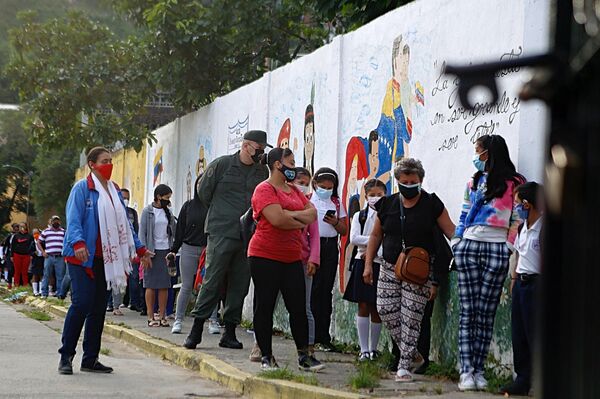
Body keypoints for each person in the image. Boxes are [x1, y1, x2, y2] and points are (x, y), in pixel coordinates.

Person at [59, 146, 153, 375]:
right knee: (81, 303)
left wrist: (140, 249)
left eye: (111, 160)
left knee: (99, 308)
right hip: (81, 256)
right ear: (92, 164)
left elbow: (126, 225)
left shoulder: (114, 191)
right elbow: (73, 220)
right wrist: (79, 243)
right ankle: (66, 356)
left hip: (106, 259)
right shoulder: (82, 189)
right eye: (104, 160)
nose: (109, 164)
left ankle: (90, 358)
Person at [364, 158, 455, 383]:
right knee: (385, 309)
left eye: (413, 181)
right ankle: (413, 355)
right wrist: (368, 263)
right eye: (404, 181)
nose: (408, 184)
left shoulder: (432, 203)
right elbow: (376, 235)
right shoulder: (387, 205)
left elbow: (451, 230)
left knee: (411, 317)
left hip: (419, 269)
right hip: (389, 266)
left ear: (420, 181)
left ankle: (404, 366)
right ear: (397, 181)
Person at [184, 130, 270, 350]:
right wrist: (222, 212)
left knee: (240, 284)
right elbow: (204, 193)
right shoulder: (222, 165)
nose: (260, 153)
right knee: (212, 279)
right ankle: (196, 330)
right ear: (246, 146)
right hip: (221, 230)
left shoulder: (262, 171)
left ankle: (229, 331)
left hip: (248, 234)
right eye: (258, 148)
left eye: (263, 149)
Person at [452, 134, 525, 391]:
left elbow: (517, 218)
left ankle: (479, 369)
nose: (477, 157)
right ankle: (466, 371)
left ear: (490, 153)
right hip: (469, 245)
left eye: (479, 152)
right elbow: (463, 211)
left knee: (486, 312)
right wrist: (457, 240)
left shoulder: (515, 183)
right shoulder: (474, 181)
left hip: (497, 248)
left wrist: (507, 245)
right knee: (468, 312)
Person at [248, 147, 324, 371]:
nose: (293, 167)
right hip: (264, 255)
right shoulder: (264, 189)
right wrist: (295, 218)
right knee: (265, 305)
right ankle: (266, 357)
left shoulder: (294, 191)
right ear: (277, 165)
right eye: (290, 163)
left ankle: (304, 356)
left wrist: (288, 215)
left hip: (292, 256)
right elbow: (276, 220)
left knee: (298, 307)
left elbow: (312, 215)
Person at [500, 182, 543, 396]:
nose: (516, 208)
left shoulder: (544, 228)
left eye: (518, 204)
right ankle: (523, 379)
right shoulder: (522, 227)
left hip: (538, 284)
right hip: (522, 284)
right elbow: (518, 254)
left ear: (528, 204)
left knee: (536, 333)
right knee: (519, 334)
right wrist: (514, 279)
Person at [343, 179, 386, 362]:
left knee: (377, 307)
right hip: (362, 263)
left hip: (380, 264)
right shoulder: (359, 216)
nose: (376, 198)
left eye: (379, 195)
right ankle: (364, 349)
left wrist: (371, 246)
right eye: (372, 195)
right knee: (363, 305)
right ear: (366, 196)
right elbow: (354, 238)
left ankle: (374, 348)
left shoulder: (387, 215)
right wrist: (374, 242)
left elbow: (387, 241)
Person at [310, 167, 348, 350]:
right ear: (315, 184)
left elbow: (344, 230)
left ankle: (323, 336)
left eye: (329, 187)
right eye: (322, 186)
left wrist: (335, 223)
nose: (325, 189)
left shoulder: (337, 203)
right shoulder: (308, 200)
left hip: (330, 247)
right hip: (311, 246)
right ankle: (309, 334)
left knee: (325, 291)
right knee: (312, 290)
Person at [169, 174, 208, 334]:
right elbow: (179, 232)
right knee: (186, 286)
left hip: (207, 250)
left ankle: (212, 320)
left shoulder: (213, 205)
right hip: (188, 249)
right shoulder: (188, 206)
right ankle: (178, 320)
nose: (202, 187)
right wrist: (173, 250)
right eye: (200, 184)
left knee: (208, 287)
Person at [140, 184, 177, 327]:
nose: (168, 200)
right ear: (158, 197)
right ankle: (150, 316)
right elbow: (142, 233)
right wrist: (143, 253)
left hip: (166, 251)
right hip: (151, 251)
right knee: (150, 285)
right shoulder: (147, 212)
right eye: (166, 197)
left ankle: (162, 315)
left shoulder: (169, 212)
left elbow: (174, 231)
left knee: (164, 285)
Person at [294, 167, 320, 358]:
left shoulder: (309, 207)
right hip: (279, 259)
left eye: (305, 184)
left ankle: (309, 347)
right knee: (268, 303)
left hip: (303, 261)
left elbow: (315, 236)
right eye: (299, 182)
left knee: (305, 307)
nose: (302, 187)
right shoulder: (280, 201)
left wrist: (313, 259)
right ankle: (260, 346)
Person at [39, 216, 66, 298]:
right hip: (49, 256)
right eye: (54, 221)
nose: (56, 222)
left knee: (60, 276)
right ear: (51, 222)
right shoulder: (46, 231)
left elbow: (67, 242)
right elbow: (39, 242)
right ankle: (44, 293)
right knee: (46, 275)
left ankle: (60, 294)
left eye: (57, 221)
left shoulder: (63, 232)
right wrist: (43, 252)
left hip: (60, 256)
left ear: (59, 222)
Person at [11, 222, 34, 287]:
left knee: (24, 272)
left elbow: (32, 246)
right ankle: (16, 285)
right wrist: (11, 256)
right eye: (20, 226)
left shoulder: (29, 236)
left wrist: (31, 255)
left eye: (23, 226)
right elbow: (12, 246)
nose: (22, 228)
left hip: (26, 255)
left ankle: (25, 286)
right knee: (17, 271)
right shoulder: (16, 236)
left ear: (26, 227)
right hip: (17, 255)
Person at [1, 223, 19, 289]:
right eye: (15, 227)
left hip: (17, 254)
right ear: (13, 228)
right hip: (9, 254)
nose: (16, 228)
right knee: (10, 269)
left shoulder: (20, 235)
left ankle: (16, 283)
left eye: (17, 227)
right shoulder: (10, 236)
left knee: (16, 269)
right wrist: (4, 254)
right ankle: (9, 283)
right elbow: (5, 245)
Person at [31, 228, 45, 296]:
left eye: (37, 233)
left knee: (42, 274)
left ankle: (40, 291)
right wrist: (34, 253)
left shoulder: (43, 241)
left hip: (42, 259)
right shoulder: (32, 242)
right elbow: (29, 251)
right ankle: (35, 291)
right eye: (34, 233)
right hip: (35, 260)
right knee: (35, 275)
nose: (36, 235)